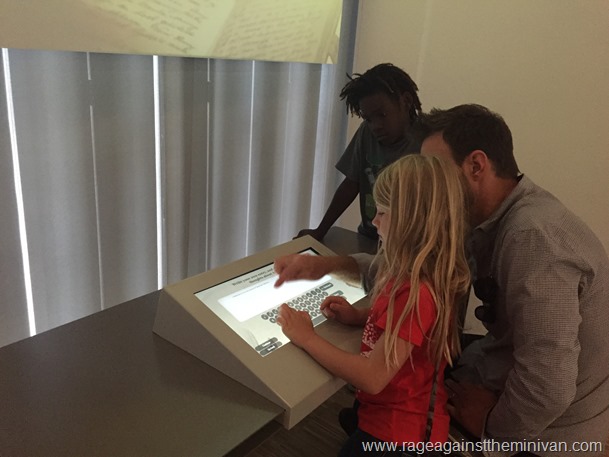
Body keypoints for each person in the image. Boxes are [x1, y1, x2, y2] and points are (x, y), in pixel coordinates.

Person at [276, 104, 609, 456]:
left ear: (476, 166)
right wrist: (325, 266)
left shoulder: (534, 239)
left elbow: (549, 387)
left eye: (435, 171)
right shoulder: (473, 220)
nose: (426, 185)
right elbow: (403, 271)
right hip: (502, 368)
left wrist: (490, 425)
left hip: (549, 427)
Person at [278, 154, 471, 456]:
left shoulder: (418, 291)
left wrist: (307, 337)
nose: (374, 221)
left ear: (411, 221)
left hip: (398, 433)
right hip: (398, 420)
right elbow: (409, 327)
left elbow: (372, 377)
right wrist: (359, 316)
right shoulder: (412, 275)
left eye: (382, 212)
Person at [297, 63, 422, 241]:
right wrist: (320, 231)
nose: (375, 126)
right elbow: (351, 184)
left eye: (382, 115)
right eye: (368, 119)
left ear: (406, 101)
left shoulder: (428, 141)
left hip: (409, 245)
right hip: (371, 236)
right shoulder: (367, 132)